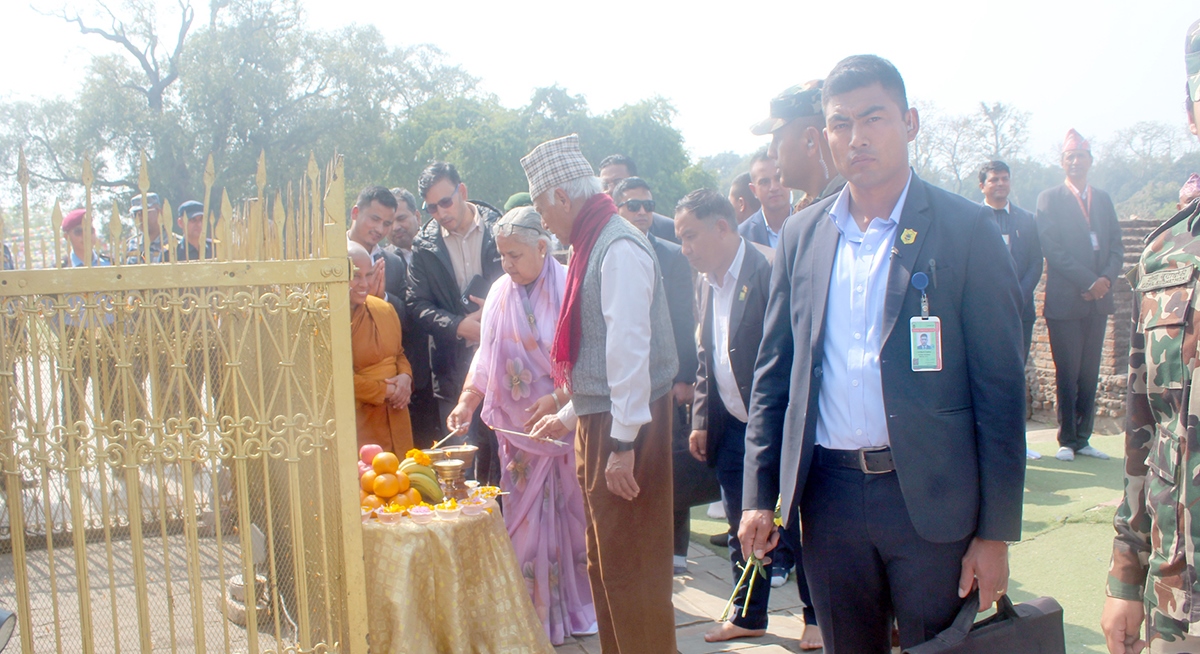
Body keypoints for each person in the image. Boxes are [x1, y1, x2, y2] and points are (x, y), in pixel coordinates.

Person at [739, 55, 1027, 653]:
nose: (857, 137)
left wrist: (995, 534)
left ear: (910, 122)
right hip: (830, 500)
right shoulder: (803, 235)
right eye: (841, 123)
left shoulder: (966, 230)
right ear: (824, 138)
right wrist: (759, 498)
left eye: (875, 117)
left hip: (932, 501)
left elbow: (1000, 391)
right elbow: (775, 378)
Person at [523, 134, 678, 653]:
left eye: (543, 207)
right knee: (608, 562)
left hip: (627, 426)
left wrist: (623, 445)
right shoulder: (594, 241)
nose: (543, 220)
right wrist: (571, 415)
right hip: (608, 420)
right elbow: (605, 356)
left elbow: (629, 352)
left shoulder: (617, 244)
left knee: (632, 567)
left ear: (563, 198)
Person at [446, 207, 596, 644]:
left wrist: (558, 400)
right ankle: (527, 613)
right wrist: (467, 400)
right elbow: (487, 354)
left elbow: (588, 358)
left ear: (543, 248)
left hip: (563, 426)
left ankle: (572, 611)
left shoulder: (572, 285)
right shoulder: (499, 292)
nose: (508, 265)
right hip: (516, 433)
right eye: (503, 256)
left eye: (515, 255)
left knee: (570, 521)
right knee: (523, 522)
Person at [1102, 19, 1200, 654]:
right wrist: (1124, 574)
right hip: (1177, 595)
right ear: (1193, 112)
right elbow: (1146, 430)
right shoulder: (1165, 254)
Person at [675, 189, 804, 646]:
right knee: (739, 523)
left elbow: (793, 352)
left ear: (723, 227)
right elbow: (706, 354)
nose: (685, 248)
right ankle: (749, 615)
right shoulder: (703, 279)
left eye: (691, 236)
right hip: (731, 424)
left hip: (781, 423)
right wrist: (700, 418)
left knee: (797, 524)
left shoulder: (770, 269)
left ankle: (815, 615)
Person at [613, 176, 700, 575]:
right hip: (624, 378)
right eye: (633, 205)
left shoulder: (672, 255)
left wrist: (685, 376)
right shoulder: (606, 252)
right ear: (617, 208)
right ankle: (634, 545)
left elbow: (684, 319)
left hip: (667, 377)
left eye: (648, 204)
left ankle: (675, 551)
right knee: (632, 460)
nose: (643, 212)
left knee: (669, 460)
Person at [407, 162, 505, 482]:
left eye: (445, 202)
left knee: (505, 464)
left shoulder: (499, 228)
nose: (440, 212)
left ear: (462, 192)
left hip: (504, 362)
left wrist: (492, 313)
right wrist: (458, 326)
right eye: (431, 207)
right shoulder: (424, 246)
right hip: (452, 366)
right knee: (460, 468)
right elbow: (416, 304)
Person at [1035, 129, 1124, 462]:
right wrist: (1088, 281)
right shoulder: (1050, 198)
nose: (1076, 162)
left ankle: (1084, 436)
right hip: (1066, 300)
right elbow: (1053, 250)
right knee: (1067, 371)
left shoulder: (1101, 198)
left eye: (1081, 157)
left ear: (1090, 161)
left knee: (1090, 372)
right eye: (1070, 157)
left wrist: (1105, 279)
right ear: (1063, 162)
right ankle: (1066, 437)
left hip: (1098, 300)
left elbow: (1115, 245)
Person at [977, 161, 1044, 460]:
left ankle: (1019, 440)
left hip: (1019, 310)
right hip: (983, 312)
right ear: (983, 186)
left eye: (1005, 178)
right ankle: (987, 441)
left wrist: (1018, 293)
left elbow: (1035, 263)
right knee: (985, 375)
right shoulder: (972, 219)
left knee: (1016, 374)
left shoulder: (1026, 220)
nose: (1000, 184)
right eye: (994, 180)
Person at [387, 187, 440, 450]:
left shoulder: (437, 252)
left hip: (446, 369)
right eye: (389, 222)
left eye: (401, 218)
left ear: (417, 217)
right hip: (411, 377)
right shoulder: (384, 265)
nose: (396, 227)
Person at [348, 240, 413, 454]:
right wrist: (384, 390)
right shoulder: (325, 321)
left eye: (369, 275)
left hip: (397, 411)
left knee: (403, 480)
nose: (364, 284)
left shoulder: (383, 308)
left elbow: (398, 354)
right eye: (356, 275)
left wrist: (405, 378)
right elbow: (333, 378)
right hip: (361, 419)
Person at [598, 154, 678, 244]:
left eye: (617, 182)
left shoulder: (668, 229)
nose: (610, 190)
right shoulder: (595, 228)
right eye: (605, 185)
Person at [738, 151, 792, 248]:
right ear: (753, 190)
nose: (773, 187)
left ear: (789, 180)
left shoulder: (812, 224)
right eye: (764, 182)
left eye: (778, 178)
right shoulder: (742, 238)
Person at [127, 192, 166, 264]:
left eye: (143, 212)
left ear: (159, 212)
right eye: (135, 214)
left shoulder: (175, 243)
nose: (139, 218)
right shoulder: (131, 244)